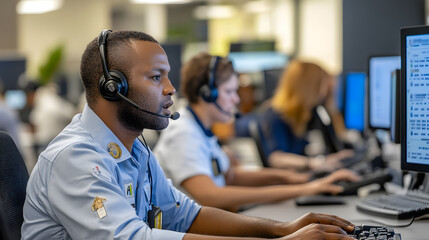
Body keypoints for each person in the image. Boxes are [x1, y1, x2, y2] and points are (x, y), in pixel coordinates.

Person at [22, 30, 356, 239]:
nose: (170, 89)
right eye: (156, 78)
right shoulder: (75, 158)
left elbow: (185, 215)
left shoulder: (137, 150)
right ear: (113, 88)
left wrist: (281, 229)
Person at [154, 53, 359, 212]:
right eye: (229, 92)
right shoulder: (184, 135)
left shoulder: (201, 129)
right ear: (207, 94)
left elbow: (232, 177)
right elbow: (212, 196)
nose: (237, 100)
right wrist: (306, 189)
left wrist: (290, 178)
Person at [257, 60, 354, 171]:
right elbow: (276, 158)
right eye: (322, 85)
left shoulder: (313, 112)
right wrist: (313, 163)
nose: (324, 91)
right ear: (311, 87)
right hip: (294, 179)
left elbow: (332, 142)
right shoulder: (274, 115)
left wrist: (331, 158)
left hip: (309, 174)